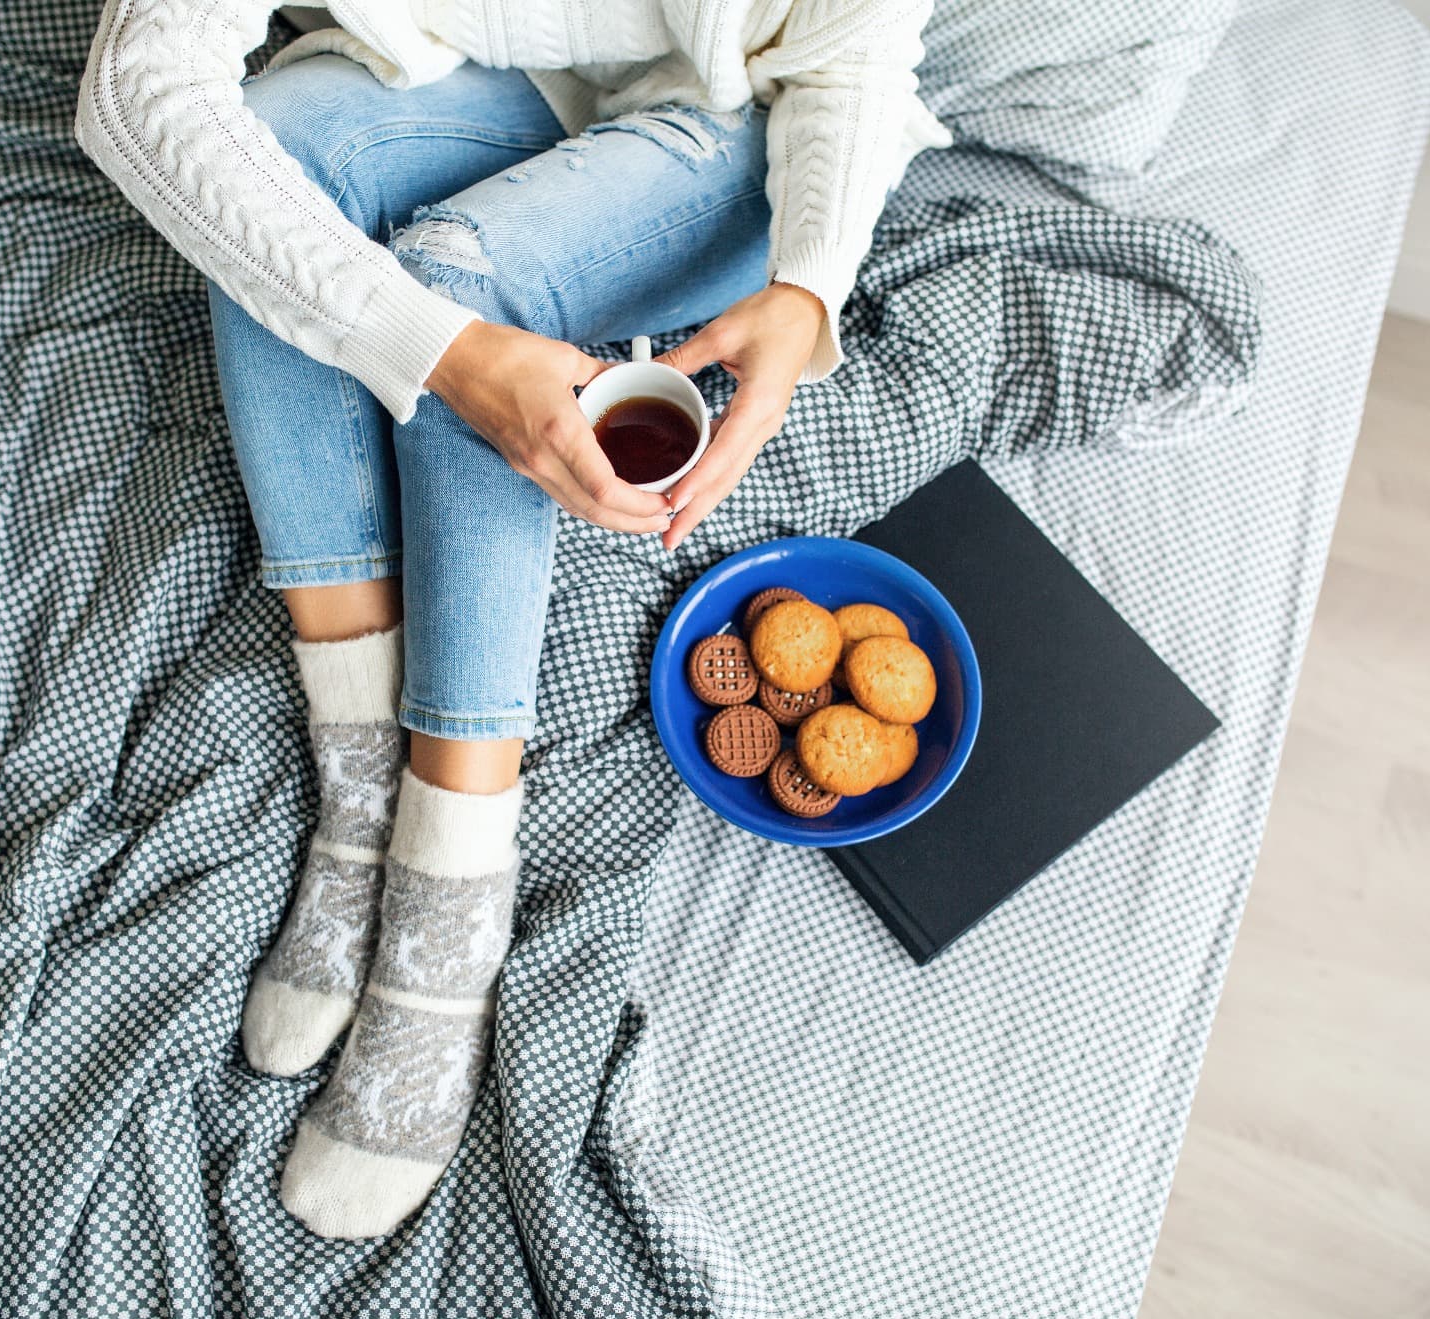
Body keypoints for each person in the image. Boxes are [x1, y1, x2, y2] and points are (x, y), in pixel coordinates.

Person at [74, 0, 950, 1238]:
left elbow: (850, 46)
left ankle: (454, 882)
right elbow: (138, 87)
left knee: (456, 270)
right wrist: (442, 358)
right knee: (264, 149)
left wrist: (808, 286)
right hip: (506, 79)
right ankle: (362, 786)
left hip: (733, 117)